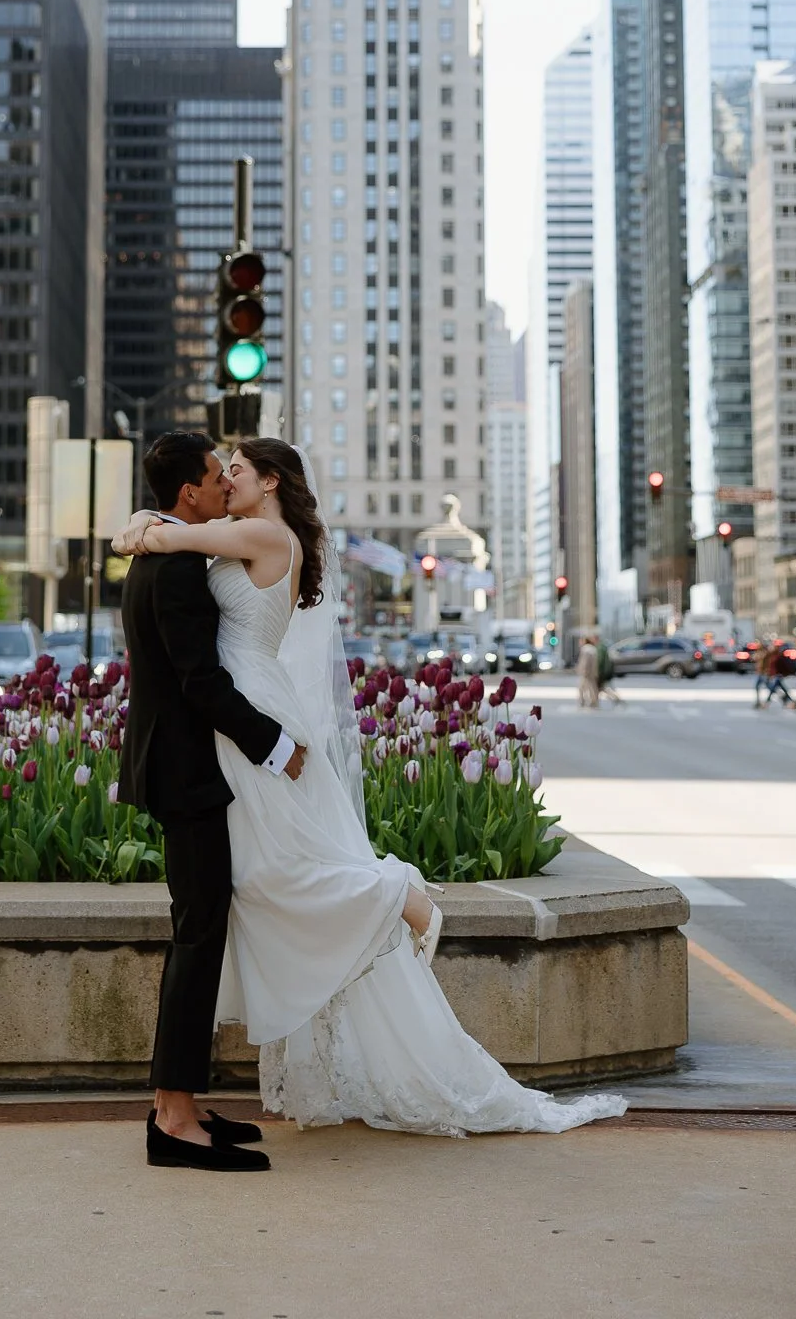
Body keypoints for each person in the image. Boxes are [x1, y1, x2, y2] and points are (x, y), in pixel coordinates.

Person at [114, 437, 626, 1138]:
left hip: (251, 715)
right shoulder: (227, 538)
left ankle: (394, 894)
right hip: (237, 721)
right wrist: (145, 529)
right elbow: (168, 537)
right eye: (217, 471)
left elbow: (171, 535)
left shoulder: (260, 532)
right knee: (257, 878)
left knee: (270, 872)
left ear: (269, 482)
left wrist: (144, 530)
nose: (226, 479)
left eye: (235, 470)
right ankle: (178, 1102)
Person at [119, 430, 304, 1175]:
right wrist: (273, 743)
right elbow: (200, 683)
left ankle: (184, 1105)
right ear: (189, 494)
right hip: (186, 768)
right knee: (196, 937)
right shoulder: (175, 571)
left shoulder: (166, 552)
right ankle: (171, 1117)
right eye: (211, 475)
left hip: (179, 766)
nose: (220, 484)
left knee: (198, 932)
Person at [576, 632, 599, 708]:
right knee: (592, 687)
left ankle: (584, 701)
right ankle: (592, 701)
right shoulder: (593, 649)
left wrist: (583, 670)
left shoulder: (586, 649)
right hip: (592, 672)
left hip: (586, 672)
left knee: (583, 687)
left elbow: (585, 662)